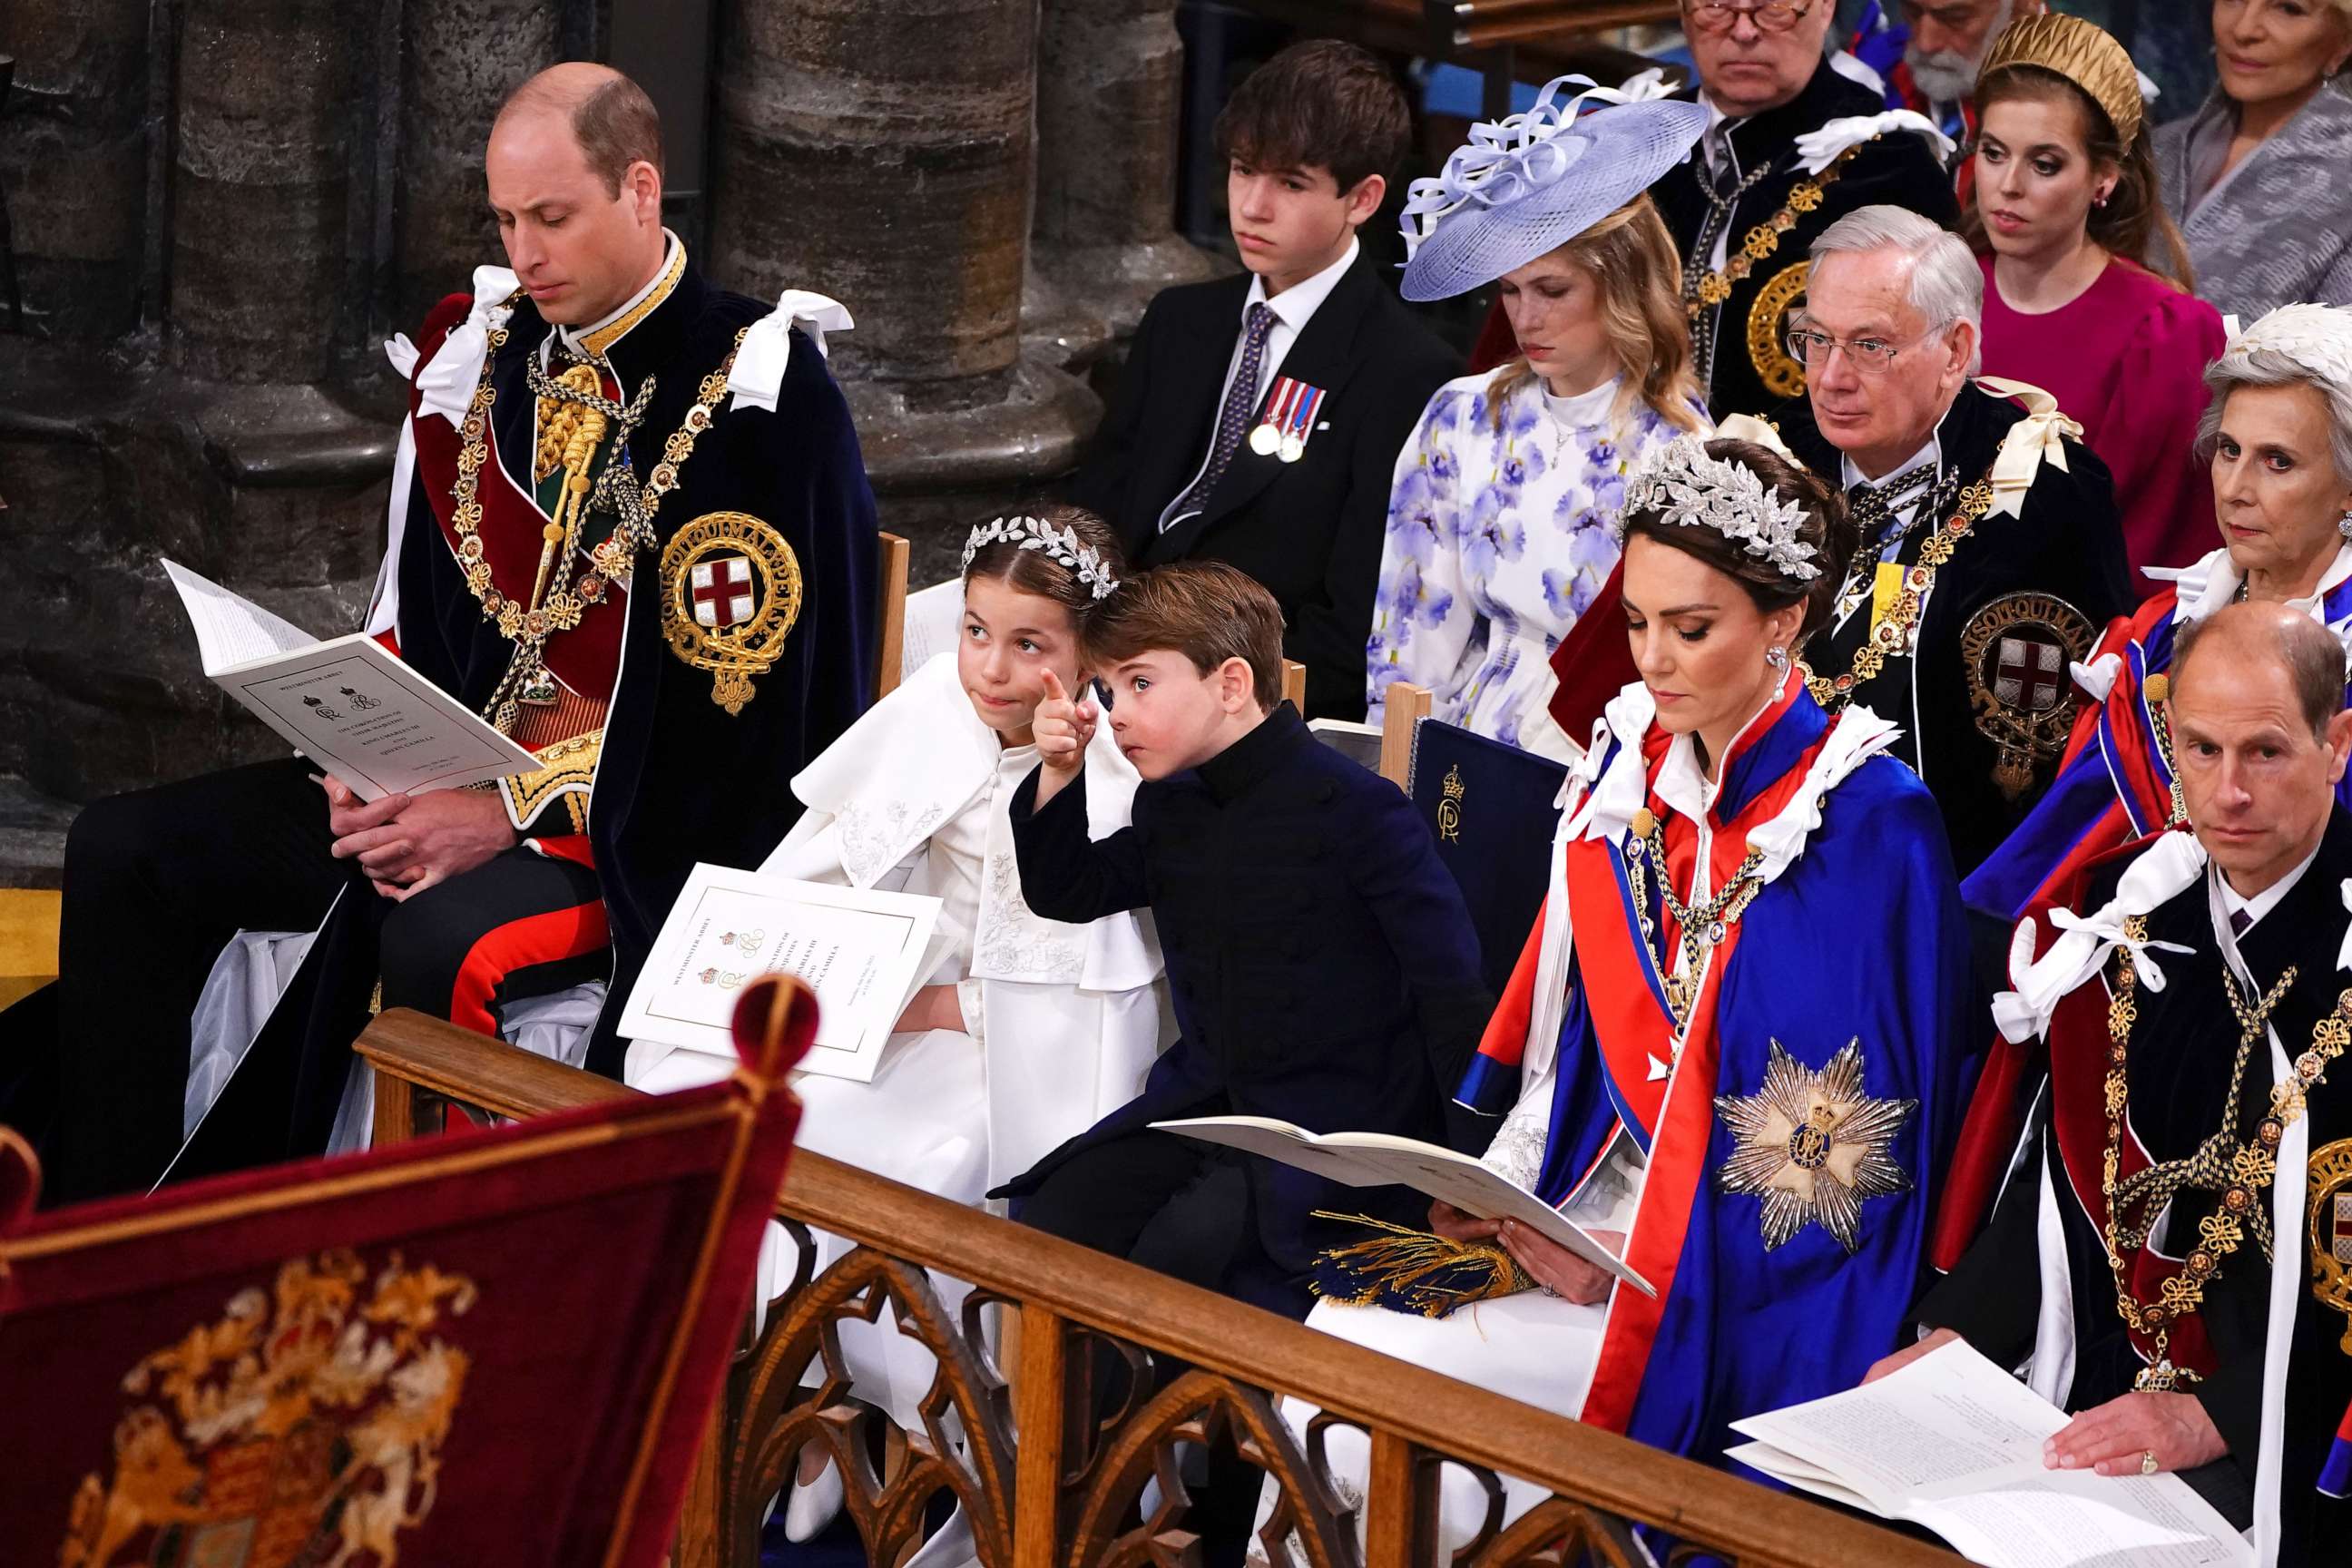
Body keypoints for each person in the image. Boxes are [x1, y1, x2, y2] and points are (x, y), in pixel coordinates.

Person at [12, 64, 877, 1202]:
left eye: (553, 219)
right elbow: (432, 624)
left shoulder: (757, 392)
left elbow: (747, 727)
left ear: (641, 190)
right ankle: (111, 1228)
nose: (524, 256)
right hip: (444, 776)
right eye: (507, 222)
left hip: (618, 827)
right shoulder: (494, 352)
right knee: (127, 849)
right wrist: (359, 761)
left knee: (435, 934)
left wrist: (508, 813)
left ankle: (421, 1277)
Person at [1263, 430, 1974, 1553]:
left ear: (1783, 620)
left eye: (1691, 629)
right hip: (1588, 1215)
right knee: (1326, 1350)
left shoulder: (1864, 817)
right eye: (1636, 622)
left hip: (1736, 1285)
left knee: (1388, 1405)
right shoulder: (1629, 765)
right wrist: (1507, 1192)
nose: (1653, 658)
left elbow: (1837, 1157)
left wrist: (1635, 1258)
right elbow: (1570, 1045)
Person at [629, 507, 1166, 1548]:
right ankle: (772, 1402)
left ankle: (929, 1437)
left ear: (1087, 656)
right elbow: (824, 861)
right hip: (900, 986)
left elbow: (1105, 975)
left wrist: (937, 1008)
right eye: (973, 631)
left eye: (1028, 646)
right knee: (726, 1095)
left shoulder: (1115, 767)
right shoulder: (934, 711)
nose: (991, 670)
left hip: (1011, 1036)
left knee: (927, 1154)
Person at [1871, 602, 2352, 1565]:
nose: (2227, 794)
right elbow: (2062, 1172)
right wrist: (1962, 1335)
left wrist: (2220, 1413)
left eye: (2265, 753)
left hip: (2290, 1427)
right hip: (2097, 1378)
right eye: (2201, 750)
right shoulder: (2123, 910)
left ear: (2337, 745)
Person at [1939, 302, 2352, 1269]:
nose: (2238, 488)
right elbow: (2062, 836)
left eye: (2279, 463)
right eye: (2228, 453)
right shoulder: (2161, 631)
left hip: (2292, 1025)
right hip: (2114, 994)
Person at [1068, 40, 1458, 721]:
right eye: (1243, 171)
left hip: (1242, 698)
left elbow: (1351, 620)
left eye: (1291, 183)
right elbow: (1103, 499)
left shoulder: (1408, 372)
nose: (1251, 205)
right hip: (1102, 652)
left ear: (1363, 198)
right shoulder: (1182, 318)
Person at [1779, 203, 2132, 877]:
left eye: (1870, 346)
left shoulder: (2047, 497)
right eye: (1816, 339)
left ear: (1956, 351)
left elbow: (2039, 766)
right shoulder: (1784, 453)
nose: (1831, 377)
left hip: (1945, 877)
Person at [1364, 80, 1710, 758]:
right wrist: (1391, 769)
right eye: (1512, 291)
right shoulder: (1463, 414)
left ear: (1623, 287)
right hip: (1463, 735)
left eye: (1553, 290)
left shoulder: (1683, 449)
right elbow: (1411, 627)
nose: (1525, 317)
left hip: (1612, 751)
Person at [1968, 12, 2228, 592]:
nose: (2008, 185)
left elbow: (2165, 548)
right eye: (1992, 152)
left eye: (2044, 164)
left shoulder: (2168, 333)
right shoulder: (1931, 299)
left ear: (2104, 179)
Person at [1649, 0, 1958, 421]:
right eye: (1717, 6)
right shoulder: (1641, 147)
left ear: (1826, 8)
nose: (1743, 32)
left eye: (1772, 8)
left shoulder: (1886, 166)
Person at [2156, 0, 2352, 321]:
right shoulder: (2155, 148)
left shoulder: (2345, 177)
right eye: (2233, 0)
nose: (2244, 30)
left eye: (2288, 9)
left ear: (2343, 43)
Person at [1850, 0, 2045, 156]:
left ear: (2022, 6)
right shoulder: (1874, 71)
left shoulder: (2068, 98)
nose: (1925, 43)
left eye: (1956, 18)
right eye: (1912, 11)